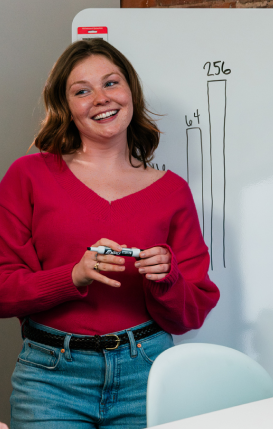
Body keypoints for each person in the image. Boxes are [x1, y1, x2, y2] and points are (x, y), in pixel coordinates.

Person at [0, 40, 220, 429]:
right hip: (50, 380)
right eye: (82, 91)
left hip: (148, 374)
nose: (100, 98)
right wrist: (73, 276)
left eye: (110, 83)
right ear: (66, 107)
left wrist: (167, 279)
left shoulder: (173, 191)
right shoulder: (28, 175)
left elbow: (193, 313)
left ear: (130, 92)